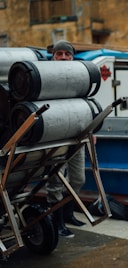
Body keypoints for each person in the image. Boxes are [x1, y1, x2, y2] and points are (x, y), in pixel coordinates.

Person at [46, 40, 86, 238]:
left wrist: (90, 131)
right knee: (56, 183)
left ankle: (69, 214)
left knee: (78, 179)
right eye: (59, 54)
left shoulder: (80, 78)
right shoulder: (46, 79)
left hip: (77, 136)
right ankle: (57, 222)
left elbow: (85, 105)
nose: (63, 57)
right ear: (53, 57)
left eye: (66, 54)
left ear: (72, 56)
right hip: (55, 139)